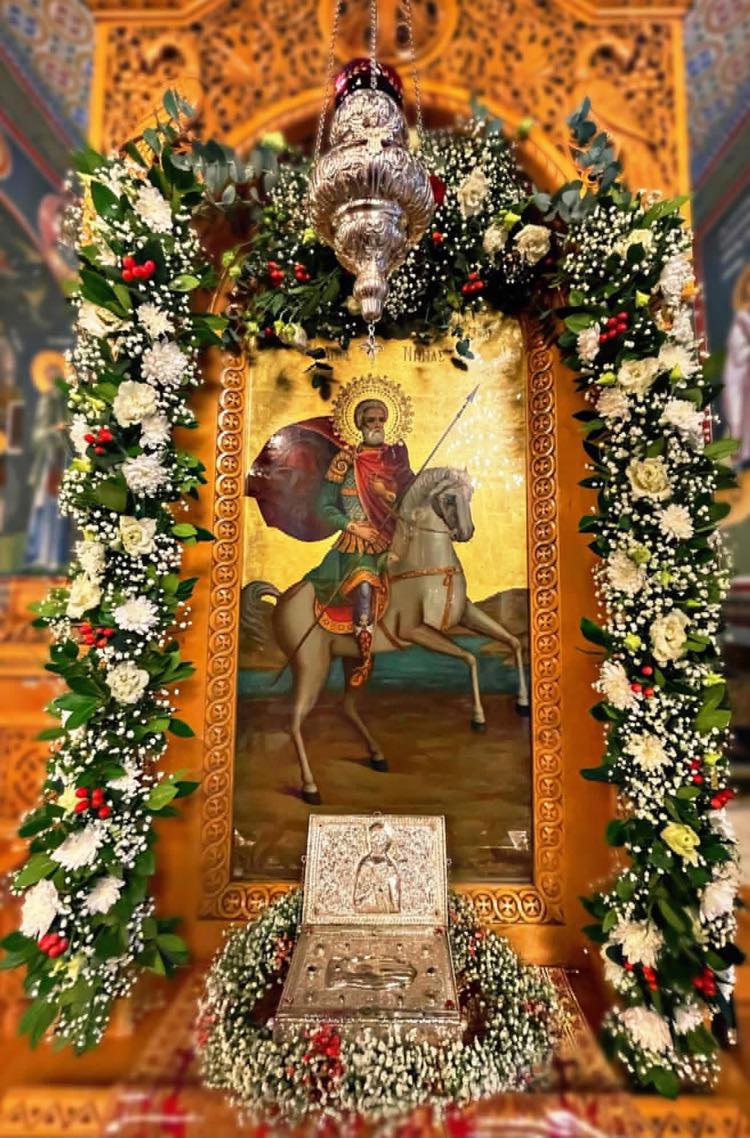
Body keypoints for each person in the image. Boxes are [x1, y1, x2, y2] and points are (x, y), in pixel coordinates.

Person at [305, 398, 412, 686]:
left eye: (381, 420)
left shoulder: (394, 459)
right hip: (357, 543)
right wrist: (353, 527)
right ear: (360, 425)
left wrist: (386, 493)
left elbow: (409, 498)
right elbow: (324, 506)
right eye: (371, 420)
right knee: (364, 586)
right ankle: (364, 658)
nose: (377, 425)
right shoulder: (346, 460)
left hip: (392, 536)